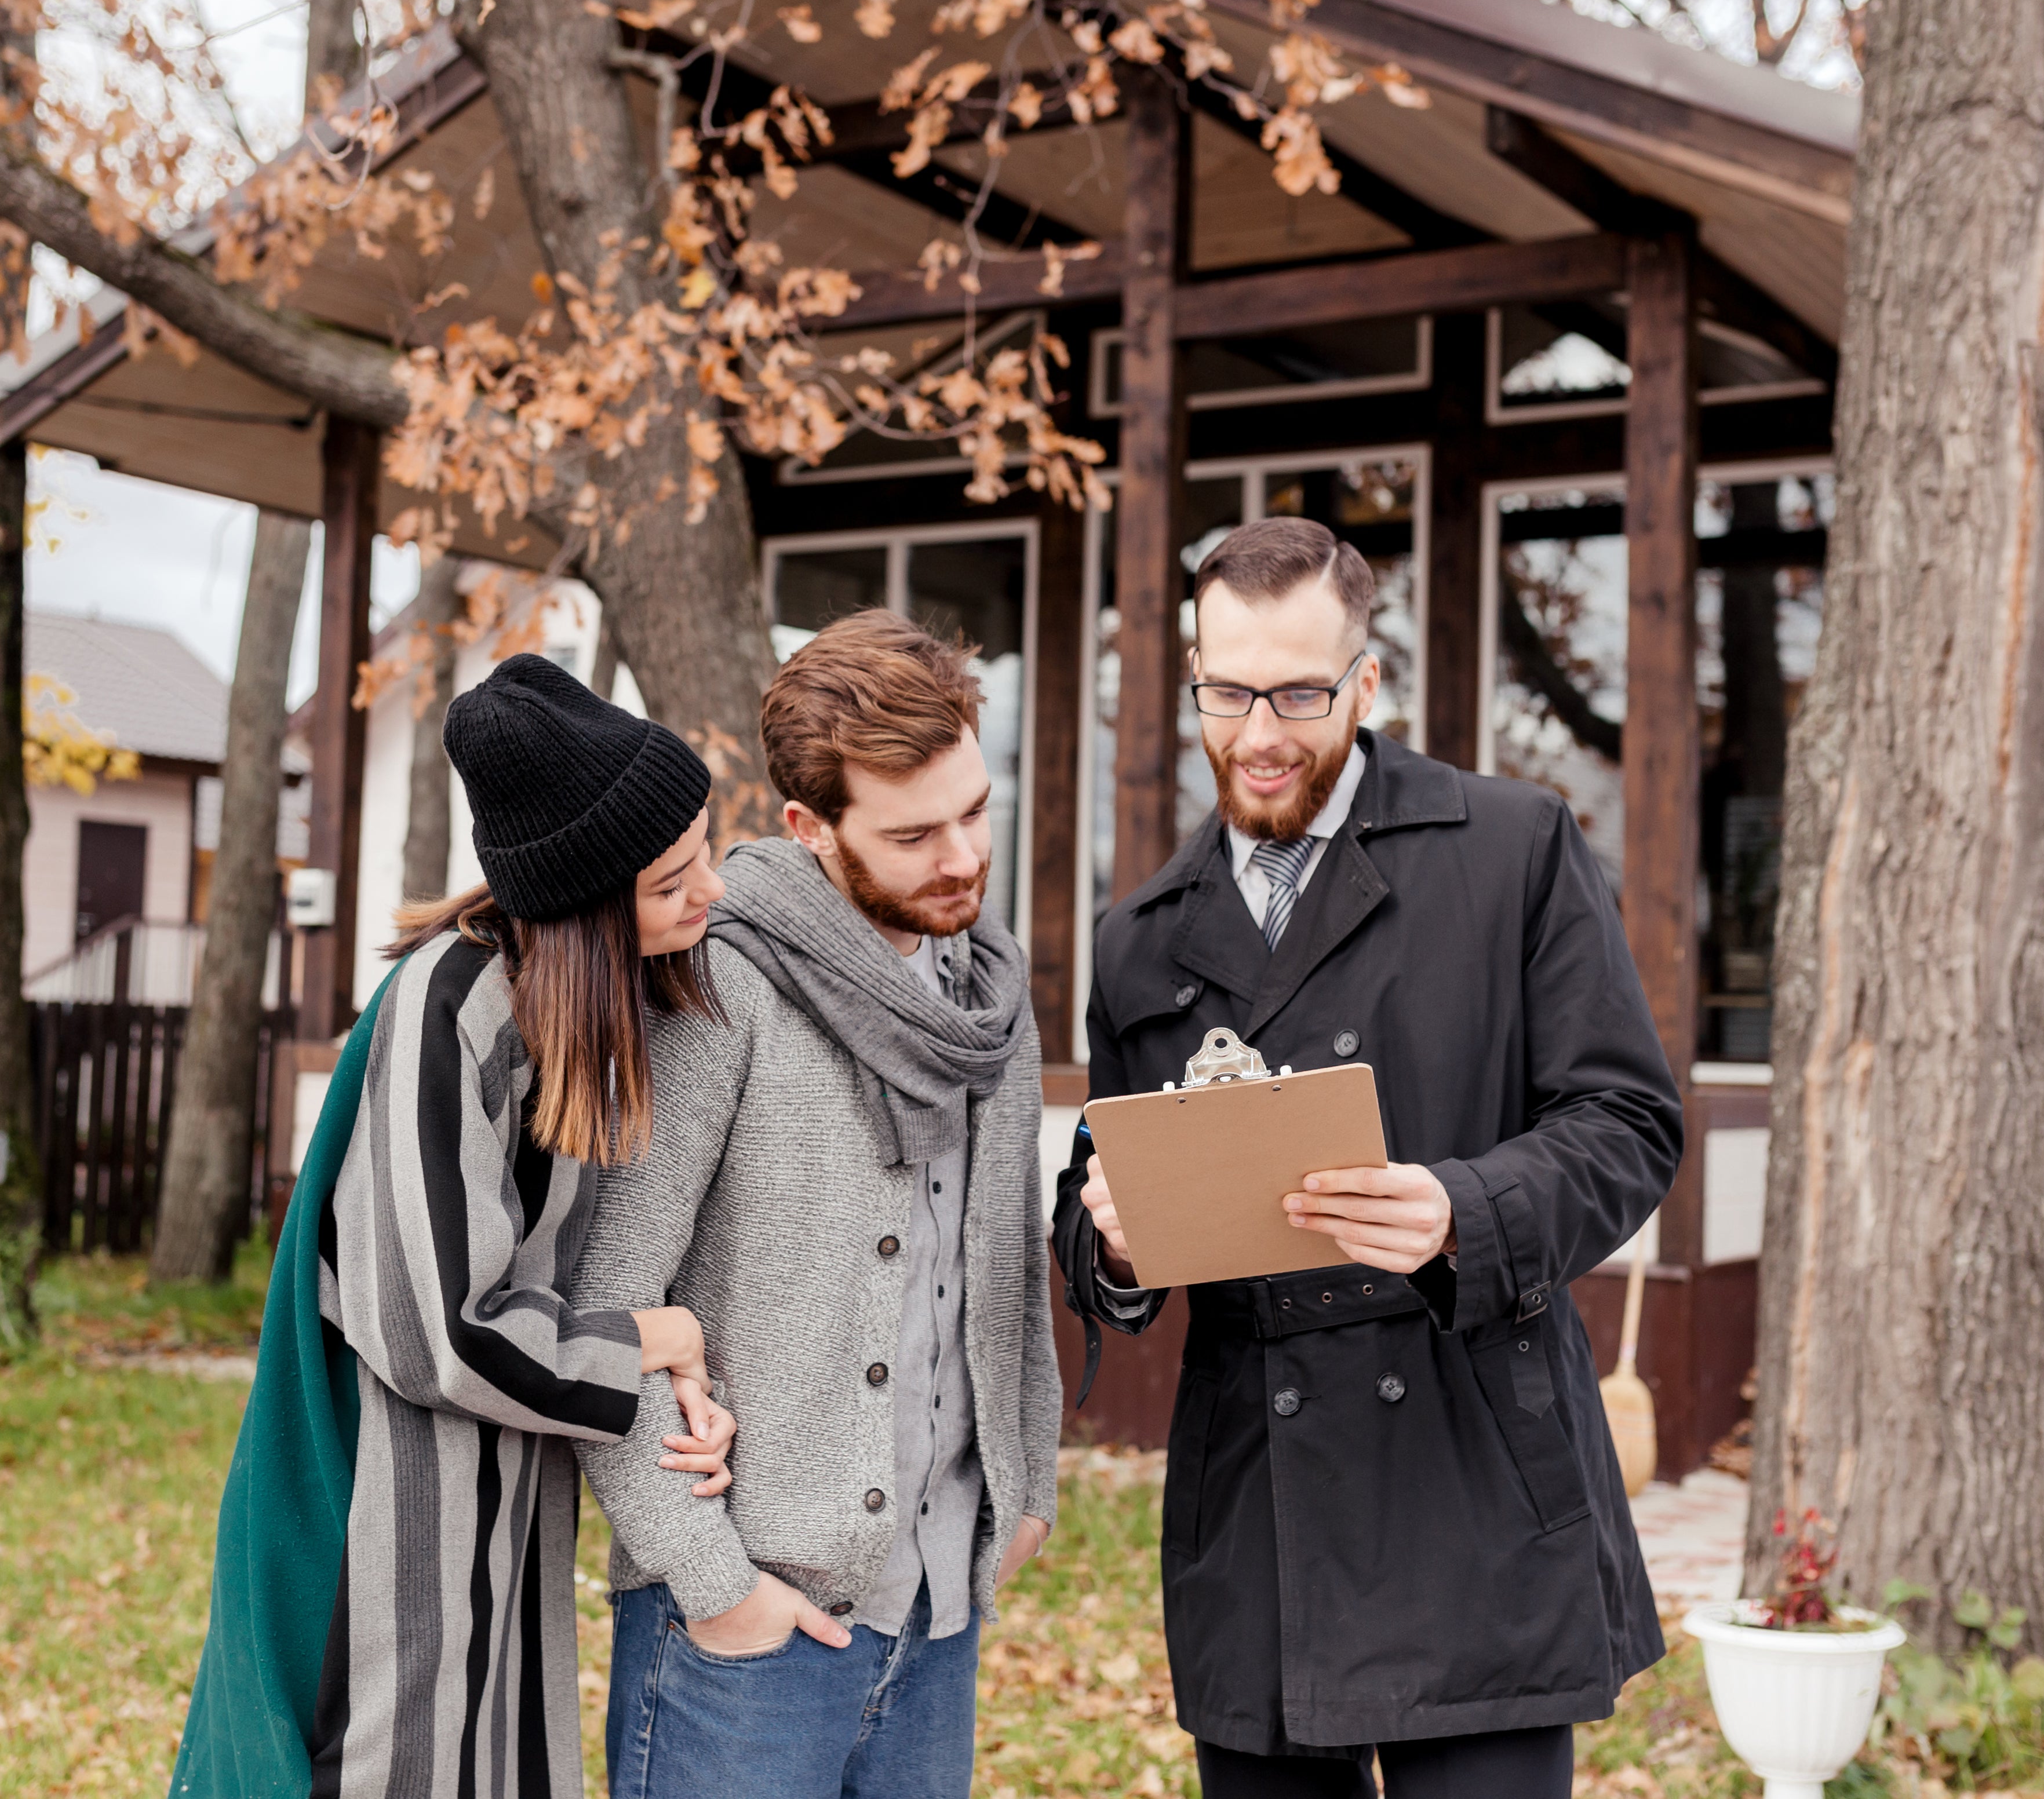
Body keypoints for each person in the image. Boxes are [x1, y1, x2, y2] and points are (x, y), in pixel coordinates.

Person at [1056, 518, 1684, 1799]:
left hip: (1474, 1484)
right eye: (1224, 694)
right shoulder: (1138, 939)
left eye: (1299, 691)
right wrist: (1110, 1238)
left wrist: (1463, 1208)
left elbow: (1626, 1122)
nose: (1260, 731)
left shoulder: (1513, 848)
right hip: (1261, 1515)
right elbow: (1097, 1198)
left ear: (1365, 681)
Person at [170, 652, 742, 1799]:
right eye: (671, 880)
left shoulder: (570, 1006)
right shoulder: (449, 1010)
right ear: (582, 907)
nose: (710, 891)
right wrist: (649, 1341)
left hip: (499, 1513)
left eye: (706, 854)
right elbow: (436, 1327)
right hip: (383, 1529)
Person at [572, 611, 1064, 1799]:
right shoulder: (715, 983)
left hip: (938, 1618)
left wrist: (1027, 1478)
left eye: (973, 811)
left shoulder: (988, 995)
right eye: (911, 833)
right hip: (743, 1641)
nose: (959, 857)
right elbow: (598, 1309)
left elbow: (1000, 1264)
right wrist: (714, 1582)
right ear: (807, 827)